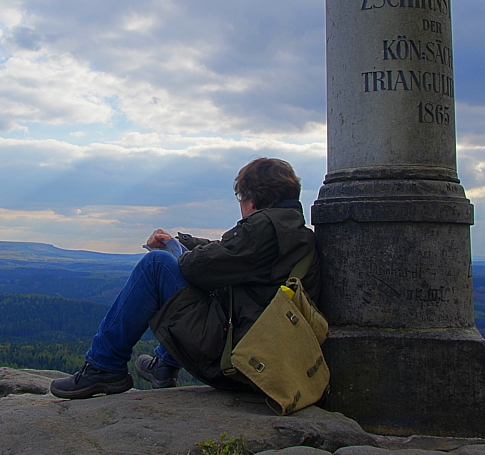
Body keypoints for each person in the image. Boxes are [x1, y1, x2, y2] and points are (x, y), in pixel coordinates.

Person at [50, 157, 318, 399]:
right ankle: (163, 367)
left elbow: (198, 268)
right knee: (203, 280)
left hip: (238, 360)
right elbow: (229, 253)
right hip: (267, 355)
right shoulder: (294, 232)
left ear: (251, 201)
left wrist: (173, 251)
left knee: (157, 264)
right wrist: (181, 242)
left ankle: (103, 366)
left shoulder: (263, 227)